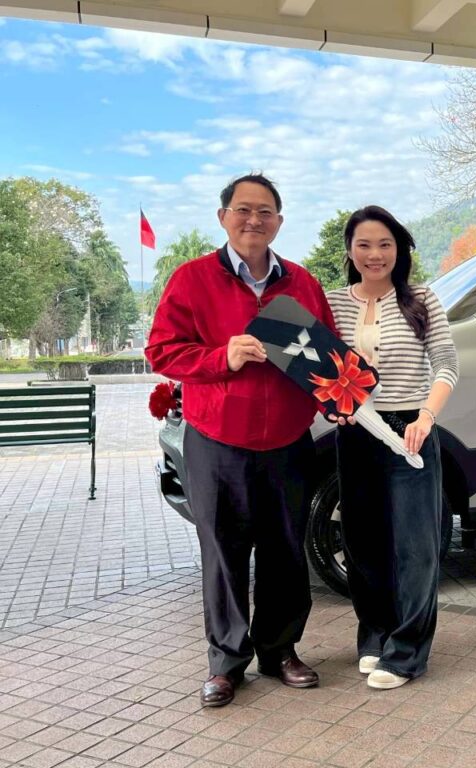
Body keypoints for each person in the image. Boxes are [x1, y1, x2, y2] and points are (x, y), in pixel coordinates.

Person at [146, 173, 336, 707]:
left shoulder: (301, 284)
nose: (254, 220)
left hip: (288, 441)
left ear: (279, 221)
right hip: (217, 441)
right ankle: (226, 663)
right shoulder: (192, 279)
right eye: (243, 210)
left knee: (285, 549)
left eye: (265, 212)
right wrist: (221, 357)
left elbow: (327, 358)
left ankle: (280, 651)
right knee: (224, 552)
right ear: (223, 217)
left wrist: (341, 399)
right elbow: (161, 350)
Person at [326, 205, 458, 690]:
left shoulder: (421, 299)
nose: (375, 254)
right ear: (349, 251)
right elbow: (320, 370)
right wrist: (332, 407)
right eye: (364, 244)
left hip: (409, 429)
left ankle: (406, 653)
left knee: (415, 545)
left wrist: (426, 416)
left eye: (385, 244)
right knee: (362, 541)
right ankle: (375, 633)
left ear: (399, 249)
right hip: (355, 430)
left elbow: (446, 364)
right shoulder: (332, 303)